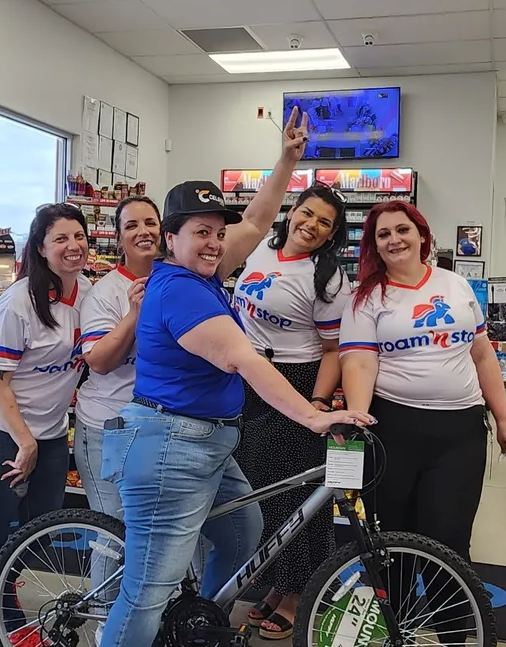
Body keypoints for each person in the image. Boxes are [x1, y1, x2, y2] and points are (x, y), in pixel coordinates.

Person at [98, 109, 374, 647]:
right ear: (170, 239)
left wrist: (288, 160)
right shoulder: (177, 288)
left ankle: (198, 621)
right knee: (147, 589)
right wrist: (316, 416)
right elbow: (245, 359)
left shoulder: (206, 270)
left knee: (245, 532)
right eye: (201, 232)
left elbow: (254, 220)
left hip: (209, 440)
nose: (215, 242)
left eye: (217, 234)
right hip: (171, 446)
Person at [339, 201, 506, 563]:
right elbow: (360, 363)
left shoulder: (455, 285)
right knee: (394, 538)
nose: (395, 240)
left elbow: (483, 354)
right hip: (394, 428)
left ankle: (455, 620)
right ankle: (398, 617)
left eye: (402, 230)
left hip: (461, 430)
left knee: (449, 537)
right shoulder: (366, 298)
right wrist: (358, 418)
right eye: (384, 234)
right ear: (374, 246)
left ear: (421, 234)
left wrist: (504, 418)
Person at [231, 185, 352, 640]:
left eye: (324, 222)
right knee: (259, 488)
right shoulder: (262, 247)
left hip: (295, 382)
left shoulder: (329, 278)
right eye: (306, 213)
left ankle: (301, 593)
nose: (311, 225)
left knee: (297, 492)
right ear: (291, 212)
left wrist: (316, 404)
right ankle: (276, 583)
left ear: (333, 233)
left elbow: (333, 349)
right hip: (247, 374)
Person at [0, 203, 91, 597]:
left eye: (79, 236)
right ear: (40, 248)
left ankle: (6, 590)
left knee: (44, 527)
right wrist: (24, 441)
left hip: (50, 430)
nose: (74, 246)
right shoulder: (19, 303)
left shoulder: (90, 292)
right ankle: (4, 617)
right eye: (61, 239)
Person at [73, 196, 160, 617]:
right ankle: (102, 621)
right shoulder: (105, 292)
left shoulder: (177, 278)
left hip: (160, 428)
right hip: (108, 427)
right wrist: (133, 314)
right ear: (119, 237)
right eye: (132, 226)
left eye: (151, 222)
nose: (143, 231)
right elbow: (101, 362)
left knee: (158, 533)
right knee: (114, 533)